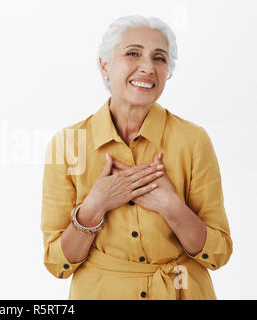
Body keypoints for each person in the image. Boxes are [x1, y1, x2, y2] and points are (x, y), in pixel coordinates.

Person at [40, 15, 232, 300]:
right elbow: (58, 264)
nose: (147, 67)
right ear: (105, 65)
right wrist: (95, 206)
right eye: (133, 53)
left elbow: (218, 254)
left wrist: (171, 206)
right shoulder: (66, 144)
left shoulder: (194, 140)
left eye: (159, 58)